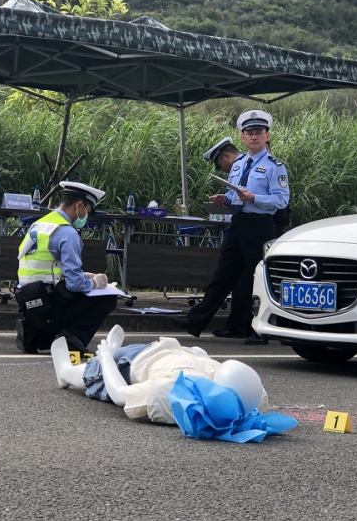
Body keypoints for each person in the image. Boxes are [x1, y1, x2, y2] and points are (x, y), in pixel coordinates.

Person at [173, 110, 289, 344]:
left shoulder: (275, 166)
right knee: (223, 274)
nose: (254, 137)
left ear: (267, 136)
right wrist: (225, 199)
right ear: (242, 138)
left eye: (259, 133)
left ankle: (259, 330)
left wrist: (254, 197)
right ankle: (196, 321)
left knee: (258, 279)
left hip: (260, 226)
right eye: (249, 133)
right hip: (238, 224)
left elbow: (281, 200)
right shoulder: (239, 164)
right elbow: (234, 193)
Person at [51, 325, 269, 424]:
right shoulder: (252, 397)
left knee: (96, 373)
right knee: (100, 368)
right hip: (156, 355)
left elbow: (119, 394)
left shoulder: (172, 390)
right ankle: (97, 360)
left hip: (155, 355)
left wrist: (107, 358)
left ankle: (68, 371)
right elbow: (120, 395)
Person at [14, 181, 117, 354]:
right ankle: (71, 340)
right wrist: (96, 283)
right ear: (79, 205)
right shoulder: (67, 233)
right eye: (88, 211)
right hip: (50, 306)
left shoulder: (39, 225)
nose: (86, 218)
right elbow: (75, 284)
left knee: (73, 291)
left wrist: (84, 275)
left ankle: (35, 334)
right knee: (108, 298)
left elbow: (45, 266)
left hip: (29, 304)